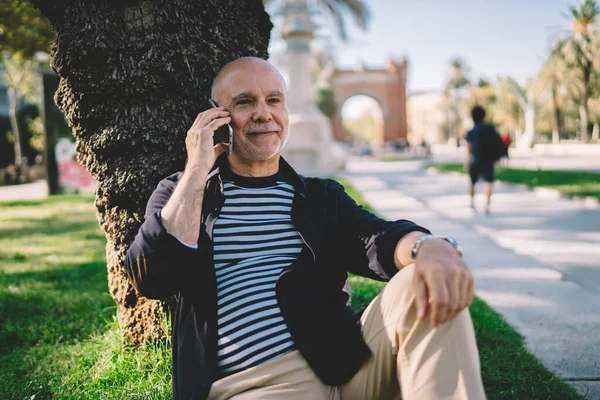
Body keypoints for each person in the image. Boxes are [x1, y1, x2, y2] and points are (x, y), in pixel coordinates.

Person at [125, 57, 486, 400]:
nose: (263, 113)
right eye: (245, 102)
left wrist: (429, 246)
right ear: (217, 118)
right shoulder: (182, 193)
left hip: (348, 368)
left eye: (274, 100)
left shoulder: (318, 196)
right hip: (255, 385)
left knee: (423, 279)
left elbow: (377, 239)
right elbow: (154, 278)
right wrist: (197, 169)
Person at [465, 105, 503, 214]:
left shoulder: (471, 131)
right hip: (488, 161)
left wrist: (467, 162)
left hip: (475, 161)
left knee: (473, 182)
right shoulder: (490, 128)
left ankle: (472, 202)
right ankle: (487, 206)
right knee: (489, 182)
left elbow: (468, 149)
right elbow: (497, 143)